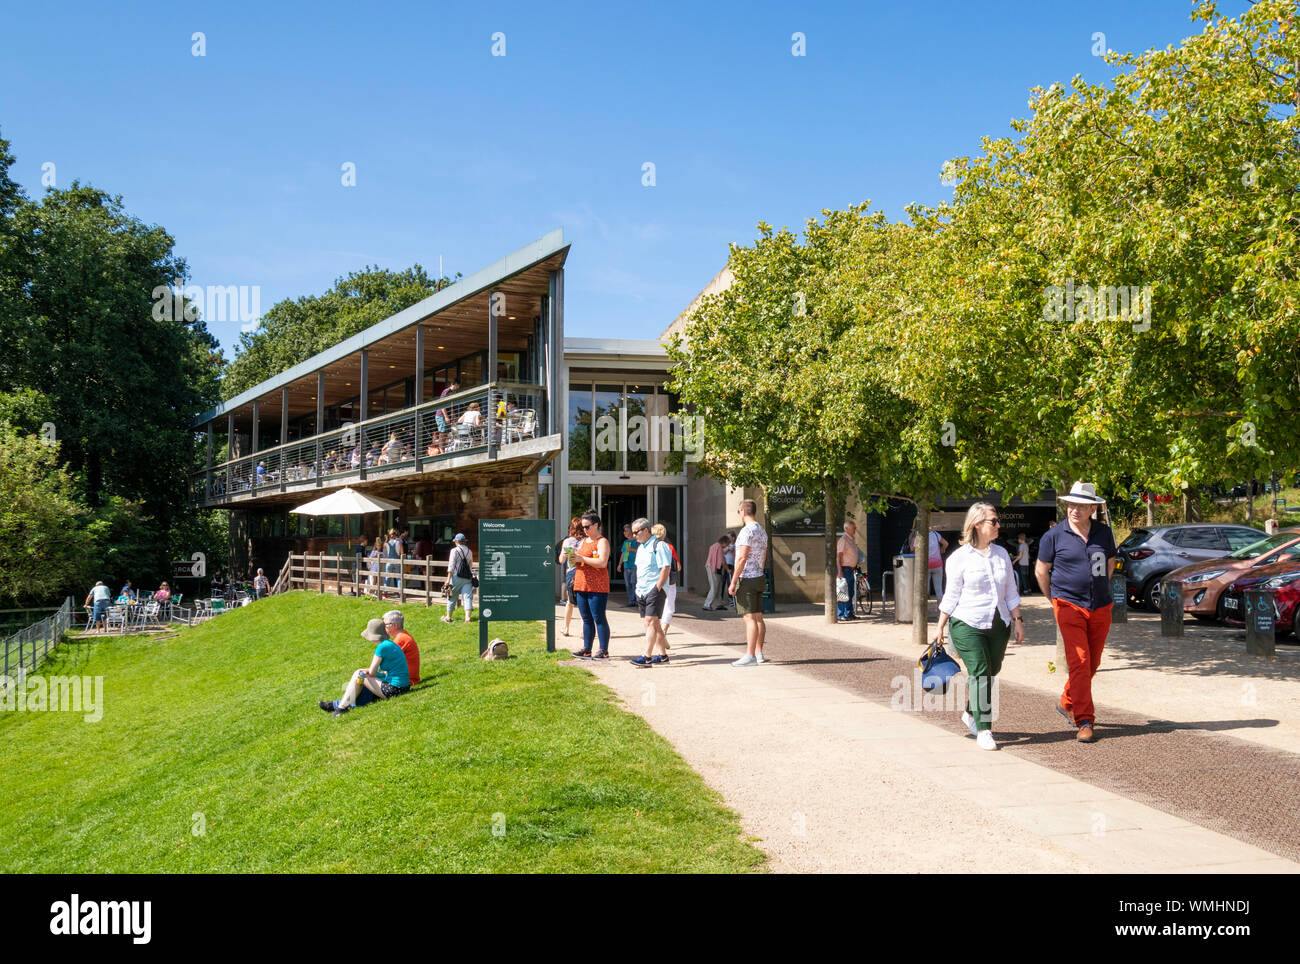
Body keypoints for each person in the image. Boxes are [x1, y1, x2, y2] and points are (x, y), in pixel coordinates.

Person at [933, 503, 1024, 751]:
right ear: (976, 524)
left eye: (997, 521)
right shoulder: (958, 558)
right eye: (992, 521)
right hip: (967, 623)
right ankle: (984, 729)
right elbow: (950, 596)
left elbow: (1011, 593)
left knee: (992, 669)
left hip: (998, 621)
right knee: (981, 671)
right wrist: (940, 627)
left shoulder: (1002, 554)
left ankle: (971, 712)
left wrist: (1018, 620)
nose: (998, 525)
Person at [1035, 482, 1117, 745]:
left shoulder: (1104, 533)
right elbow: (1041, 571)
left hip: (1101, 605)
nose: (1074, 509)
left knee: (1092, 662)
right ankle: (1084, 720)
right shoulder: (1054, 536)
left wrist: (1098, 586)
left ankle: (1067, 700)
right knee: (1080, 661)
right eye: (1071, 504)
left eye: (1081, 505)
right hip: (1068, 604)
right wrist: (1053, 600)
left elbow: (1110, 564)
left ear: (1092, 508)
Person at [318, 618, 410, 718]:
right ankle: (338, 705)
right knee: (361, 678)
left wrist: (364, 673)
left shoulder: (381, 648)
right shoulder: (390, 644)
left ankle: (340, 707)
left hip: (395, 690)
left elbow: (372, 673)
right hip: (403, 687)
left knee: (359, 676)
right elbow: (383, 672)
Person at [729, 500, 768, 666]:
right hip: (758, 576)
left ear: (743, 512)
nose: (739, 514)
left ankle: (750, 655)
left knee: (749, 618)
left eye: (739, 511)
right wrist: (759, 570)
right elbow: (764, 556)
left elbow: (742, 558)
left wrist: (733, 581)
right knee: (758, 617)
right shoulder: (762, 530)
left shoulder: (746, 532)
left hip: (747, 578)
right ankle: (759, 652)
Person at [630, 518, 674, 666]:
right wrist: (638, 589)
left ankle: (646, 657)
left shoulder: (660, 546)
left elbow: (666, 568)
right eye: (633, 532)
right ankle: (663, 656)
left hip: (654, 589)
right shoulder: (641, 547)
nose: (634, 535)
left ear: (646, 530)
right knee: (654, 623)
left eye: (636, 532)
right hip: (641, 590)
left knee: (650, 621)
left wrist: (657, 588)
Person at [570, 510, 611, 658]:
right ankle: (586, 649)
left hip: (597, 586)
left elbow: (602, 562)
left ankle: (603, 650)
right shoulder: (583, 541)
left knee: (598, 617)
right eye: (583, 527)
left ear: (596, 525)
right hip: (581, 584)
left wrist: (582, 559)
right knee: (586, 618)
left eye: (587, 527)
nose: (585, 530)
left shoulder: (602, 541)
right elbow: (580, 560)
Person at [651, 523, 680, 633]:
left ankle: (656, 631)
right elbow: (678, 566)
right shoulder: (669, 546)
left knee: (654, 607)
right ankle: (663, 631)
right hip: (668, 581)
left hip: (654, 580)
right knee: (669, 606)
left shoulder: (647, 547)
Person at [557, 517, 583, 637]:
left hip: (572, 573)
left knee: (570, 603)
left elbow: (561, 560)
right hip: (584, 573)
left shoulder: (567, 541)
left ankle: (566, 628)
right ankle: (585, 630)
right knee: (585, 603)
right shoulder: (587, 541)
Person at [441, 533, 475, 623]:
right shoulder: (469, 551)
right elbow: (470, 565)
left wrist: (448, 579)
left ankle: (448, 617)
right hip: (467, 577)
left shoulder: (454, 551)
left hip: (456, 577)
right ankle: (467, 618)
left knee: (452, 596)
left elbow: (451, 565)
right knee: (467, 597)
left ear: (457, 541)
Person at [383, 610, 420, 686]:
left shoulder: (401, 639)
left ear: (394, 626)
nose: (384, 627)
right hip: (407, 678)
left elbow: (387, 664)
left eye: (385, 625)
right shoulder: (403, 636)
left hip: (406, 680)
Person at [911, 525, 950, 598]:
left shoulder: (919, 535)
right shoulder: (936, 534)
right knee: (939, 590)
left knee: (925, 590)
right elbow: (946, 543)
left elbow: (912, 548)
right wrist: (943, 549)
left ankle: (925, 609)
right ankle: (939, 609)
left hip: (925, 565)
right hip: (938, 565)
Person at [837, 521, 862, 621]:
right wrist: (839, 571)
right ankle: (841, 614)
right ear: (846, 529)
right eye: (853, 528)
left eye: (855, 528)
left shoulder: (851, 539)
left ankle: (849, 613)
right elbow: (838, 557)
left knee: (850, 593)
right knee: (842, 592)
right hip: (844, 569)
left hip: (850, 570)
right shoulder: (843, 540)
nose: (855, 530)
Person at [704, 534, 728, 611]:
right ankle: (707, 604)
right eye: (726, 544)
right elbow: (722, 562)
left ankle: (719, 603)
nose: (726, 546)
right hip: (713, 568)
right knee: (714, 587)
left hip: (713, 567)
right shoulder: (719, 547)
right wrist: (728, 569)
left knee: (719, 586)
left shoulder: (714, 546)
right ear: (724, 542)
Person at [616, 524, 638, 607]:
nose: (624, 533)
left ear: (631, 531)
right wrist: (619, 564)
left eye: (626, 531)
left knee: (634, 583)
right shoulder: (625, 542)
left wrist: (632, 549)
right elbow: (623, 553)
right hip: (626, 565)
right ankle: (631, 601)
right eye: (624, 531)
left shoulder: (636, 541)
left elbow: (641, 551)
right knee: (628, 584)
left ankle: (636, 600)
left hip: (634, 566)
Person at [383, 528, 404, 595]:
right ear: (396, 535)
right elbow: (402, 553)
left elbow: (384, 551)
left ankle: (385, 593)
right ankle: (400, 593)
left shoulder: (386, 544)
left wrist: (386, 539)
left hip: (389, 561)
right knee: (398, 577)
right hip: (397, 561)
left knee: (387, 577)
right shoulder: (399, 543)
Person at [723, 535, 737, 609]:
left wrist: (732, 550)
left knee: (730, 582)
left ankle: (732, 600)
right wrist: (728, 548)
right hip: (725, 565)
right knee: (723, 583)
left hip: (732, 566)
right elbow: (723, 552)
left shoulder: (736, 545)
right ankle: (725, 600)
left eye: (729, 537)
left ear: (733, 537)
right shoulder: (726, 545)